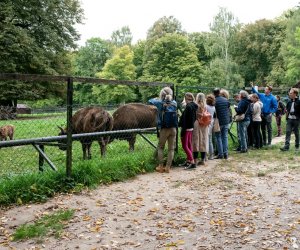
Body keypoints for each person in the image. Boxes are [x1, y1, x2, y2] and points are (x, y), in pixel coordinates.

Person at [148, 87, 177, 173]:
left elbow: (150, 100)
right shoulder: (174, 103)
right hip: (173, 128)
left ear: (162, 94)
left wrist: (158, 97)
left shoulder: (159, 103)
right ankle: (168, 167)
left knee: (161, 147)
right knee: (171, 149)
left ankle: (160, 167)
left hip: (164, 129)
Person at [178, 92, 198, 170]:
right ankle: (188, 160)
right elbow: (194, 118)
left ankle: (192, 162)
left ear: (186, 98)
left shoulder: (188, 107)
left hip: (186, 128)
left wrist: (183, 131)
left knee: (184, 145)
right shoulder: (193, 106)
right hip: (191, 127)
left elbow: (186, 120)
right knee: (189, 144)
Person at [213, 88, 231, 159]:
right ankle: (226, 153)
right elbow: (228, 107)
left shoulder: (214, 101)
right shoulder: (226, 100)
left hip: (218, 122)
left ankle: (220, 154)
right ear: (219, 92)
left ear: (214, 93)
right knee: (225, 137)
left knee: (218, 137)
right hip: (226, 120)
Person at [193, 93, 209, 166]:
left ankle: (195, 160)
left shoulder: (196, 106)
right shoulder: (206, 106)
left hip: (197, 123)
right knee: (203, 140)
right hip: (204, 124)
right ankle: (203, 159)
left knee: (196, 141)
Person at [206, 94, 216, 160]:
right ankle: (211, 155)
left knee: (206, 140)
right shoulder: (213, 107)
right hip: (211, 123)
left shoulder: (206, 107)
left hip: (206, 124)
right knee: (210, 140)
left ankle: (206, 155)